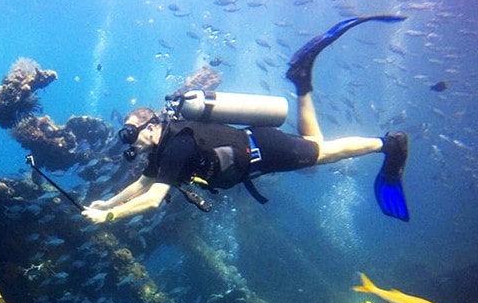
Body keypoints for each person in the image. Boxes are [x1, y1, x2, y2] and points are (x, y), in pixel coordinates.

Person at [83, 15, 410, 224]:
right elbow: (143, 184)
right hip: (259, 148)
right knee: (316, 146)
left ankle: (389, 144)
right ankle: (301, 81)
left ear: (151, 126)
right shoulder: (163, 149)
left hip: (265, 149)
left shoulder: (177, 145)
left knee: (325, 154)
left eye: (131, 133)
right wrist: (106, 202)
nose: (131, 140)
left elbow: (153, 200)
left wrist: (110, 216)